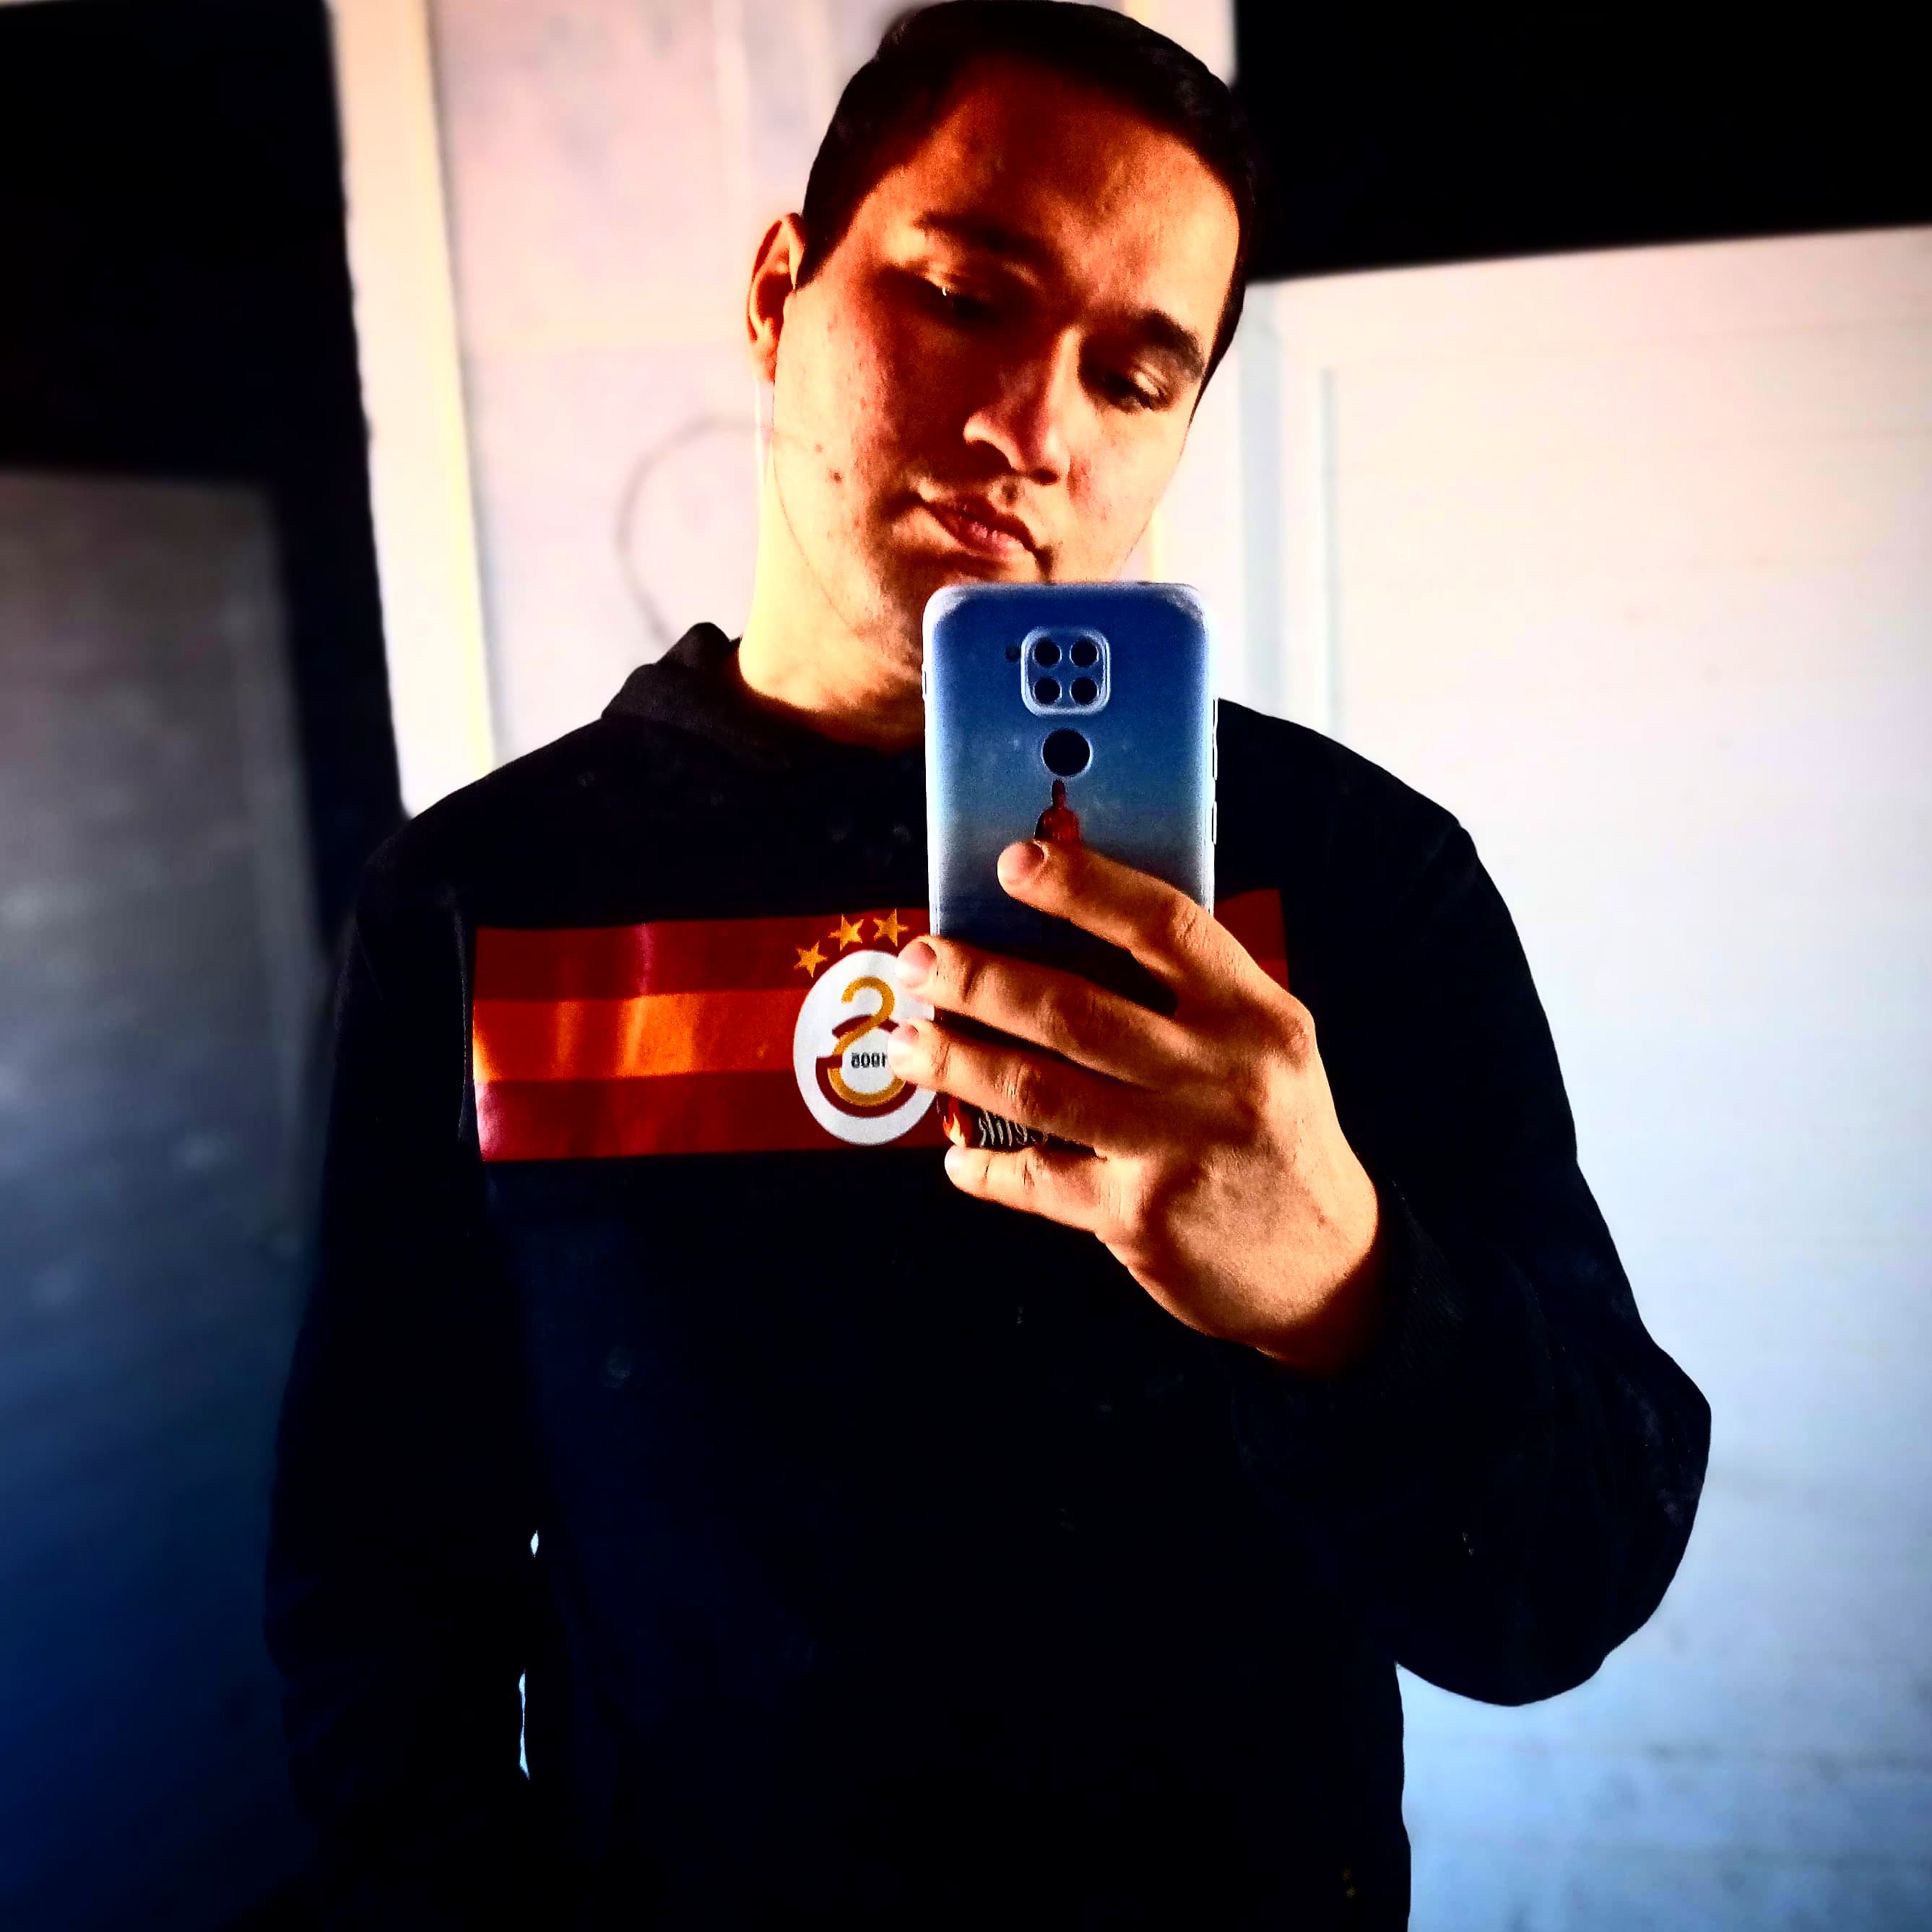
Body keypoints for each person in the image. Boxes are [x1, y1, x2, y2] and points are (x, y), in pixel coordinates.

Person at [264, 5, 1712, 1928]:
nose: (1032, 428)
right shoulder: (487, 900)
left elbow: (1564, 1581)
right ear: (778, 291)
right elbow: (380, 1582)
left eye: (1133, 374)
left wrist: (1342, 1287)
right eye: (961, 297)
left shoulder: (1353, 885)